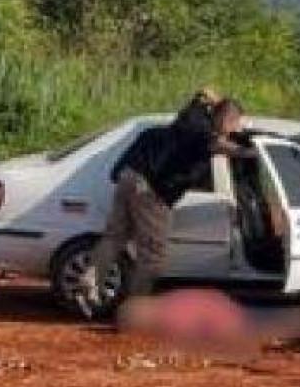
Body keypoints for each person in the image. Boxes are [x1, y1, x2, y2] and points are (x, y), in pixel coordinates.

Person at [79, 93, 255, 319]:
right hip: (150, 191)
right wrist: (248, 152)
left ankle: (90, 279)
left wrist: (216, 101)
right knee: (153, 257)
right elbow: (218, 144)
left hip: (128, 176)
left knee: (115, 236)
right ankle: (134, 312)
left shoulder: (192, 115)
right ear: (226, 120)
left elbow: (203, 94)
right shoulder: (204, 134)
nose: (235, 130)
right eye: (234, 125)